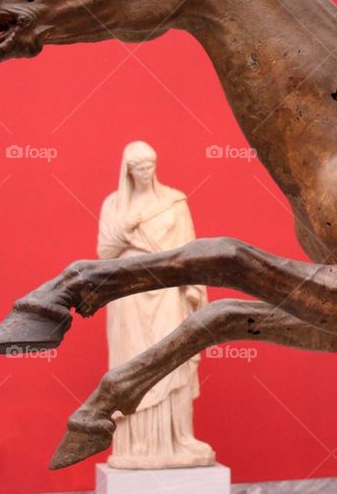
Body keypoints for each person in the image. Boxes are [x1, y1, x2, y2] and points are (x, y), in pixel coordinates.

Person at [97, 140, 215, 469]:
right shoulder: (114, 206)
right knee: (134, 363)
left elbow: (191, 250)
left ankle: (179, 439)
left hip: (167, 290)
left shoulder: (174, 202)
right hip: (129, 293)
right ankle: (136, 444)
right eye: (140, 168)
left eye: (150, 165)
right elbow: (104, 251)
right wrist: (124, 230)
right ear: (129, 171)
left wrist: (192, 284)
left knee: (171, 359)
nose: (147, 172)